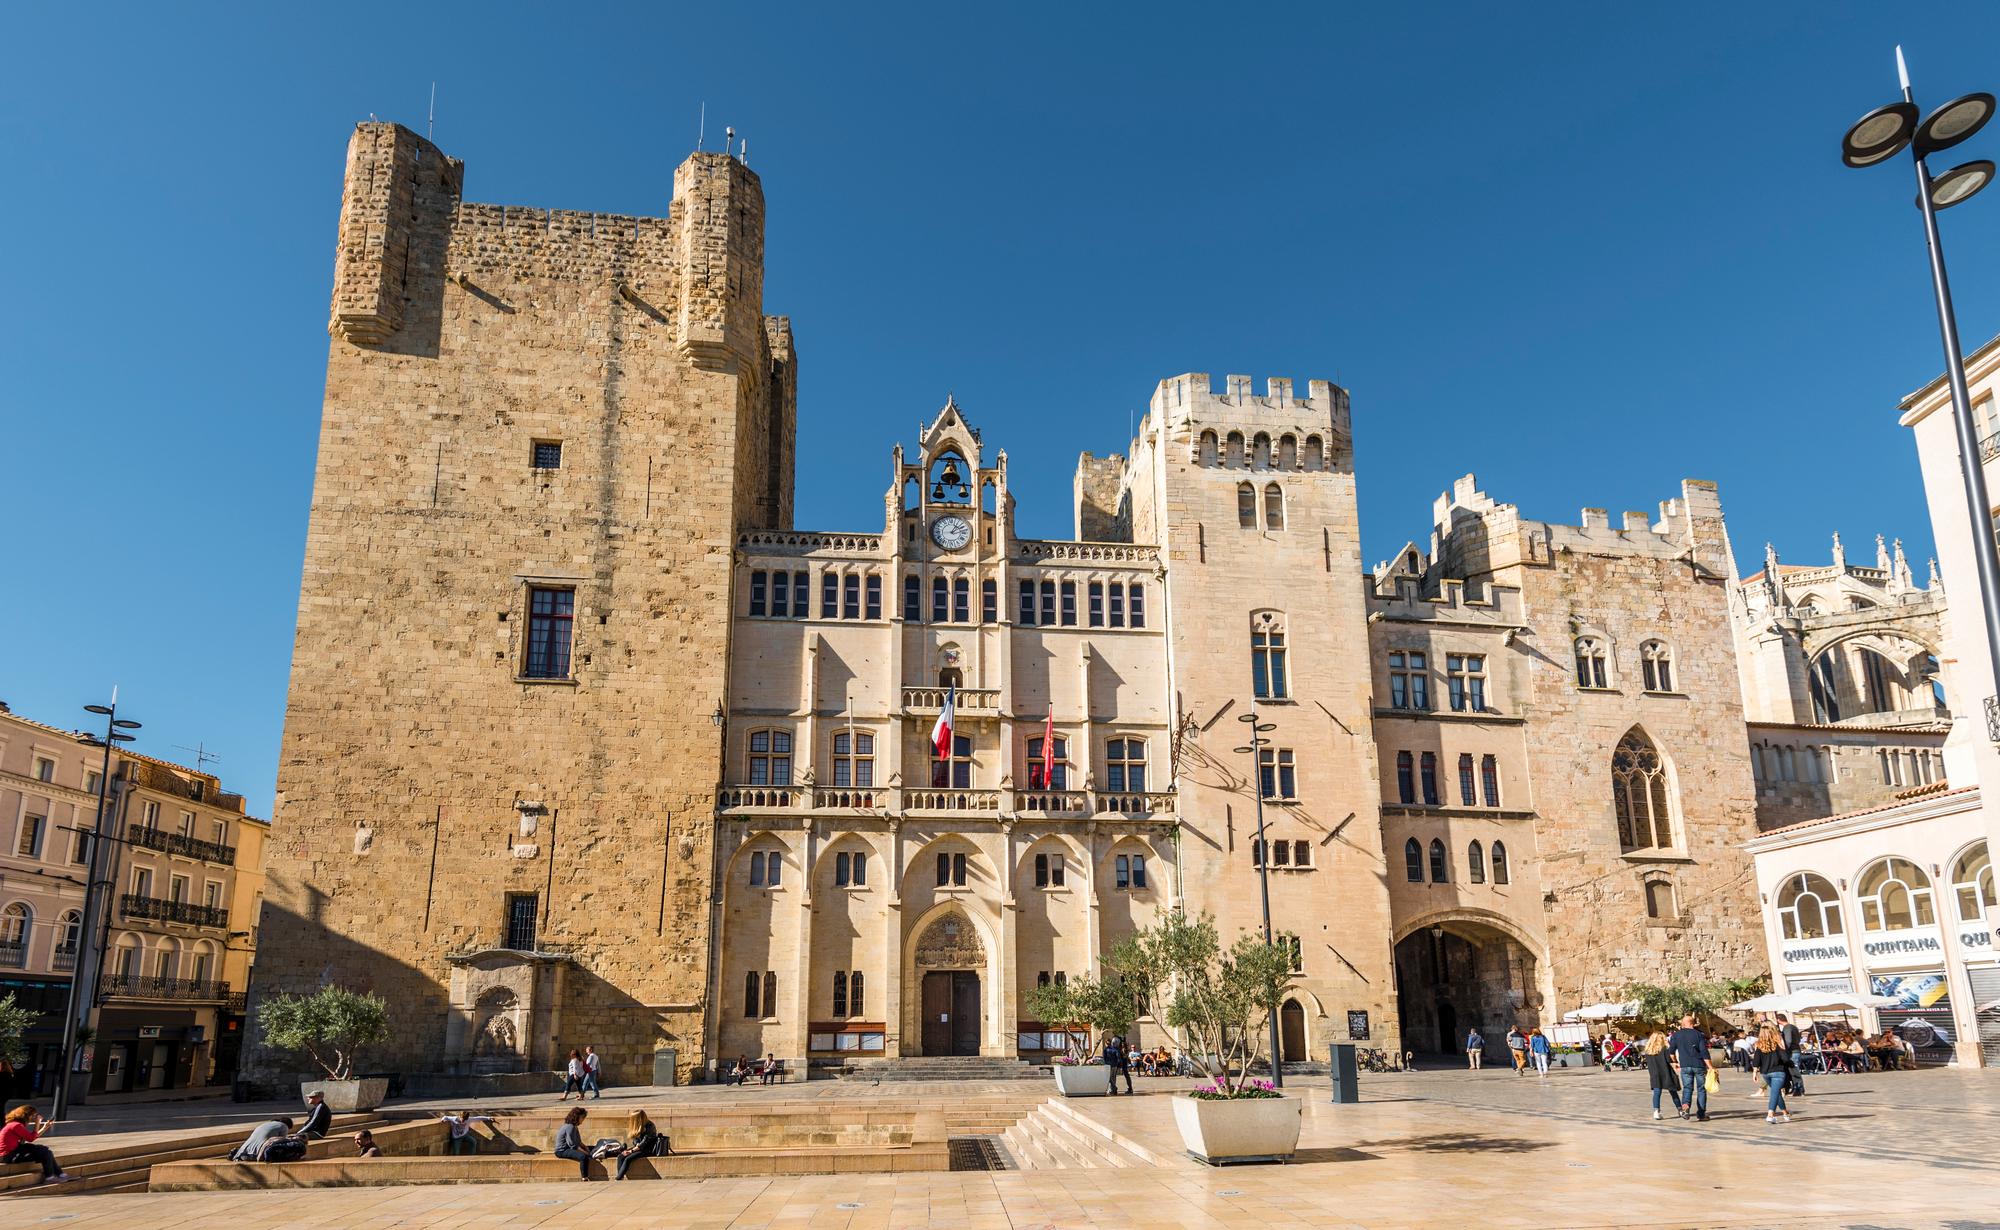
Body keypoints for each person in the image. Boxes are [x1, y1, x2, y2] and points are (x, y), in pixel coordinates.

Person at [0, 1106, 69, 1185]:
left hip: (15, 1151)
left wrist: (44, 1127)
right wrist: (37, 1123)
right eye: (33, 1116)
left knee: (45, 1151)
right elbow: (31, 1138)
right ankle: (51, 1177)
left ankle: (60, 1175)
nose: (34, 1118)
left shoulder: (15, 1124)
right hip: (9, 1156)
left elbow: (28, 1138)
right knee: (45, 1152)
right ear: (26, 1115)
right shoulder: (16, 1126)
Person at [1668, 1014, 1714, 1121]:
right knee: (1701, 1089)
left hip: (1685, 1066)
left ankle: (1685, 1109)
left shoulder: (1676, 1035)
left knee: (1687, 1088)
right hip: (1698, 1065)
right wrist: (1711, 1067)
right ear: (1692, 1023)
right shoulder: (1699, 1034)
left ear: (1683, 1024)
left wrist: (1675, 1061)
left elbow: (1671, 1052)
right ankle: (1701, 1114)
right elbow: (1704, 1052)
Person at [612, 1109, 673, 1180]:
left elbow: (644, 1143)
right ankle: (620, 1175)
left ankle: (618, 1177)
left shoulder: (650, 1126)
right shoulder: (638, 1126)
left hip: (648, 1149)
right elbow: (635, 1141)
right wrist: (631, 1149)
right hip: (639, 1148)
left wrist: (631, 1151)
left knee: (628, 1159)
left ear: (638, 1119)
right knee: (620, 1156)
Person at [1755, 1024, 1795, 1124]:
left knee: (1776, 1093)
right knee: (1774, 1093)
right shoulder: (1777, 1045)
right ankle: (1770, 1114)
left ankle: (1785, 1113)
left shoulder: (1759, 1046)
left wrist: (1754, 1073)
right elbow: (1785, 1058)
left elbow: (1756, 1061)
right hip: (1778, 1072)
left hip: (1765, 1073)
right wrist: (1791, 1063)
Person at [1641, 1031, 1679, 1120]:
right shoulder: (1664, 1050)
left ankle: (1656, 1111)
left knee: (1657, 1093)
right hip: (1666, 1073)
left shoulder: (1648, 1051)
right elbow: (1669, 1060)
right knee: (1673, 1092)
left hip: (1654, 1074)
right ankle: (1680, 1109)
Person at [553, 1106, 593, 1179]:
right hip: (562, 1151)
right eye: (582, 1118)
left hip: (569, 1148)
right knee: (583, 1157)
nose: (583, 1120)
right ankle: (585, 1177)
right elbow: (572, 1145)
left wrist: (586, 1148)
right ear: (577, 1117)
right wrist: (586, 1153)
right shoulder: (569, 1127)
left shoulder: (574, 1127)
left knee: (592, 1148)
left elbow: (579, 1142)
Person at [229, 1116, 294, 1161]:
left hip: (242, 1155)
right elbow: (283, 1141)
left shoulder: (264, 1124)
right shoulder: (284, 1126)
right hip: (256, 1156)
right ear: (288, 1125)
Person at [1776, 1014, 1804, 1096]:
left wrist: (1784, 1049)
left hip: (1791, 1052)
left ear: (1778, 1020)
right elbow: (1798, 1039)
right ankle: (1796, 1089)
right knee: (1793, 1071)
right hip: (1796, 1050)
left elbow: (1788, 1040)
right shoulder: (1794, 1027)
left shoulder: (1787, 1028)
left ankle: (1799, 1089)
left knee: (1794, 1072)